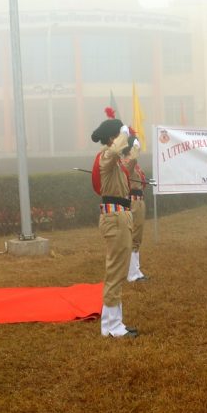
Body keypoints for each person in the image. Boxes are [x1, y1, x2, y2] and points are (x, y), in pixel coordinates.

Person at [91, 107, 140, 337]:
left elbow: (128, 167)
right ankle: (110, 327)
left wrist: (136, 148)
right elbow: (114, 153)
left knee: (119, 270)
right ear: (113, 138)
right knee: (115, 271)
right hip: (115, 217)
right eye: (120, 135)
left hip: (121, 216)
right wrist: (123, 136)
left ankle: (115, 323)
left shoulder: (115, 160)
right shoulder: (106, 155)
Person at [125, 151, 148, 282]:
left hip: (139, 200)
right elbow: (131, 164)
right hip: (134, 201)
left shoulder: (134, 164)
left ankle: (136, 271)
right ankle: (132, 274)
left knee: (137, 236)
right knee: (134, 235)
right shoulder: (128, 162)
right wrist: (134, 148)